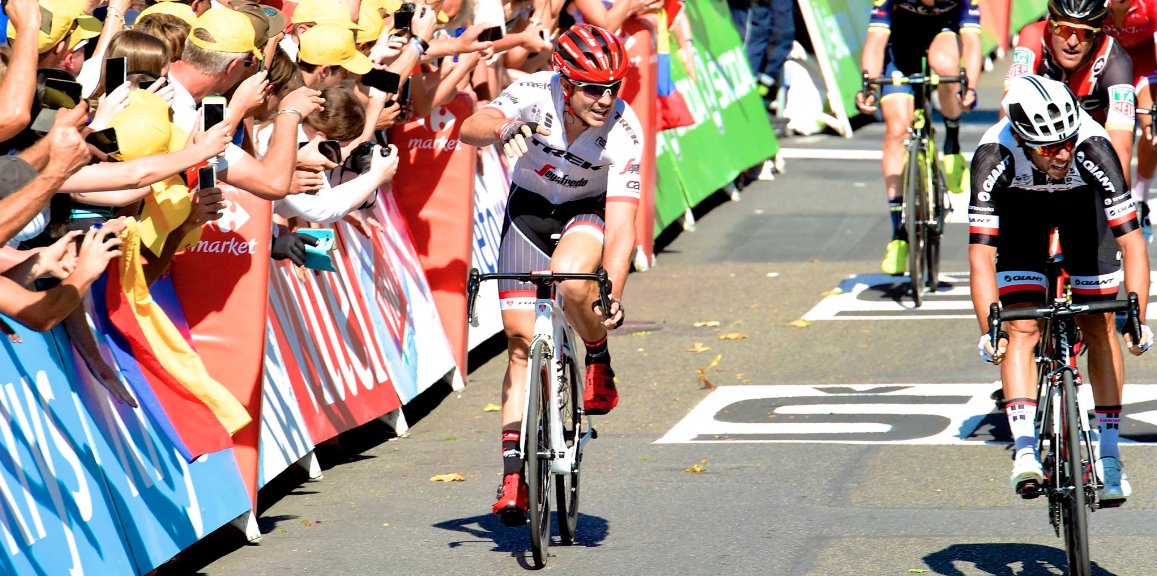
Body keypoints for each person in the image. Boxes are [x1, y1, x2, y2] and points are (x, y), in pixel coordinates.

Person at [460, 23, 639, 526]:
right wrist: (500, 127)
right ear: (565, 81)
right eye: (593, 89)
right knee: (519, 344)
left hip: (589, 210)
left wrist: (614, 293)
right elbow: (471, 125)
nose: (605, 100)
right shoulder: (535, 92)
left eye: (614, 88)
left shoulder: (624, 130)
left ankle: (597, 354)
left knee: (569, 278)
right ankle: (514, 475)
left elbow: (623, 228)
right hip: (531, 209)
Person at [970, 75, 1151, 503]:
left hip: (1082, 209)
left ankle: (1108, 457)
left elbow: (1131, 242)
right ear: (1021, 138)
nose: (1063, 153)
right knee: (1021, 329)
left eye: (1066, 141)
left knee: (1100, 323)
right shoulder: (995, 153)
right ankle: (1026, 450)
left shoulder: (1092, 148)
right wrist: (987, 327)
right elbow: (980, 255)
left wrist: (1138, 316)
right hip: (1021, 213)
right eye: (1049, 147)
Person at [855, 0, 982, 276]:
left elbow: (971, 42)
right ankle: (899, 235)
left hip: (943, 36)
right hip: (899, 48)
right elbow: (876, 41)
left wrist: (969, 86)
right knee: (896, 130)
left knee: (947, 68)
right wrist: (867, 86)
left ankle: (952, 144)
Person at [1005, 0, 1136, 204]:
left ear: (1097, 34)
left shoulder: (1116, 60)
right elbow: (1010, 110)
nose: (1073, 42)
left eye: (1084, 33)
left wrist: (1120, 205)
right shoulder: (1033, 35)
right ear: (1050, 24)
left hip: (1090, 149)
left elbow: (1121, 148)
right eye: (1065, 30)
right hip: (1040, 146)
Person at [1103, 0, 1157, 240]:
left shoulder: (1150, 5)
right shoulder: (1095, 5)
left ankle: (1139, 198)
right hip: (1109, 65)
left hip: (1144, 66)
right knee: (1113, 139)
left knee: (1153, 126)